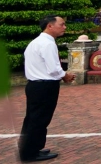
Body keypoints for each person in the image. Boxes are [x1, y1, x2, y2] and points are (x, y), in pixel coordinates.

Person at [18, 15, 75, 162]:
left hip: (35, 85)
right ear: (50, 26)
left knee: (33, 118)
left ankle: (31, 148)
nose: (64, 27)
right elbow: (53, 68)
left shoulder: (36, 42)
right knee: (39, 119)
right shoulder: (47, 44)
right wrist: (65, 75)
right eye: (62, 24)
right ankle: (30, 153)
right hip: (44, 86)